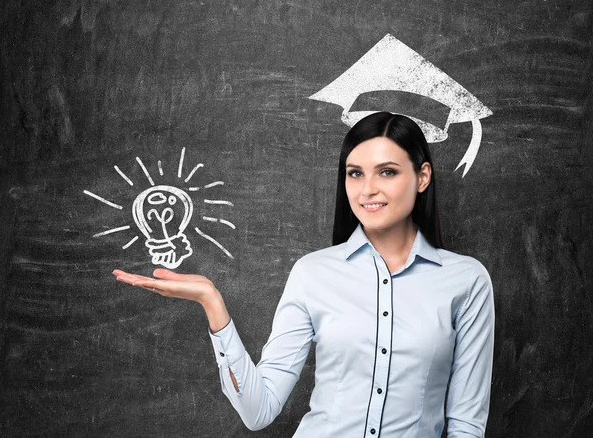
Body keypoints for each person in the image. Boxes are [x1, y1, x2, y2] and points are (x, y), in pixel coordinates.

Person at [113, 112, 495, 437]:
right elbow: (258, 411)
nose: (368, 190)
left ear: (422, 176)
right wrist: (212, 304)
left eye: (388, 172)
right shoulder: (314, 273)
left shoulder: (465, 282)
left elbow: (465, 425)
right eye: (355, 173)